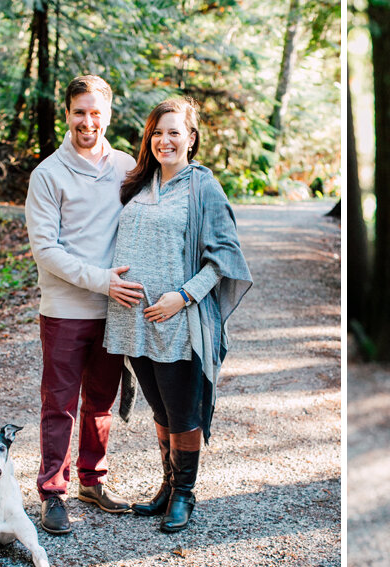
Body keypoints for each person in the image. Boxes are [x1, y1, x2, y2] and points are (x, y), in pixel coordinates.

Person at [104, 98, 251, 534]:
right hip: (133, 320)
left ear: (191, 138)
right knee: (162, 410)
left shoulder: (203, 188)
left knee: (183, 410)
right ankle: (168, 486)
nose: (164, 140)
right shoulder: (139, 182)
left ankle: (186, 493)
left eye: (174, 132)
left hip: (176, 322)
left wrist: (182, 297)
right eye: (157, 132)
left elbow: (226, 258)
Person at [25, 74, 144, 535]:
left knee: (100, 401)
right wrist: (102, 282)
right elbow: (46, 251)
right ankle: (53, 491)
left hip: (114, 309)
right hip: (64, 310)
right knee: (59, 405)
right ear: (67, 114)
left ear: (108, 115)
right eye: (80, 112)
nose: (88, 121)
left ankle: (92, 481)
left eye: (96, 112)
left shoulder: (126, 167)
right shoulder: (48, 175)